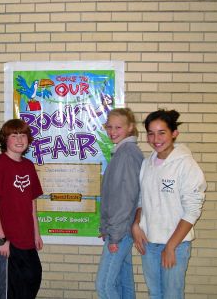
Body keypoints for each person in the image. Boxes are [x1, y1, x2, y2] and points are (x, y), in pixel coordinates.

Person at [132, 109, 207, 299]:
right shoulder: (147, 163)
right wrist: (136, 223)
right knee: (155, 294)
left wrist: (171, 247)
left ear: (174, 133)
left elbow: (192, 211)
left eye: (162, 132)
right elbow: (142, 199)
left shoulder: (186, 165)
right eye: (151, 133)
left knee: (172, 295)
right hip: (149, 244)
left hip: (175, 245)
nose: (155, 138)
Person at [0, 119, 43, 299]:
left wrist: (36, 233)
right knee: (10, 290)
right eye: (14, 135)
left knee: (33, 278)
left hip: (27, 238)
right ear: (5, 139)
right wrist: (1, 239)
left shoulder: (28, 165)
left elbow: (31, 203)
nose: (19, 139)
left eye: (23, 134)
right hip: (8, 241)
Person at [95, 108, 144, 299]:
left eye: (118, 127)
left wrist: (114, 235)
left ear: (130, 128)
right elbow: (115, 196)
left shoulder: (127, 153)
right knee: (124, 284)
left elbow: (126, 199)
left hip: (121, 231)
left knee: (105, 286)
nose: (112, 131)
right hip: (122, 229)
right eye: (109, 127)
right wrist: (107, 228)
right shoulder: (123, 151)